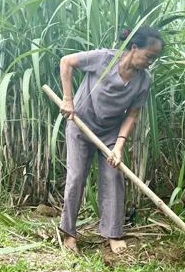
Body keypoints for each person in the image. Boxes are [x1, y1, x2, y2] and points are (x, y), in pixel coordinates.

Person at [57, 26, 164, 254]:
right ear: (134, 47)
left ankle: (113, 233)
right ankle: (69, 233)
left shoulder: (144, 80)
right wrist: (68, 100)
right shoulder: (105, 59)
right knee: (76, 177)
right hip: (81, 125)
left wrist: (119, 145)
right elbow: (66, 62)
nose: (150, 62)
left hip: (110, 134)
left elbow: (132, 114)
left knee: (114, 177)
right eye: (149, 56)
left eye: (154, 58)